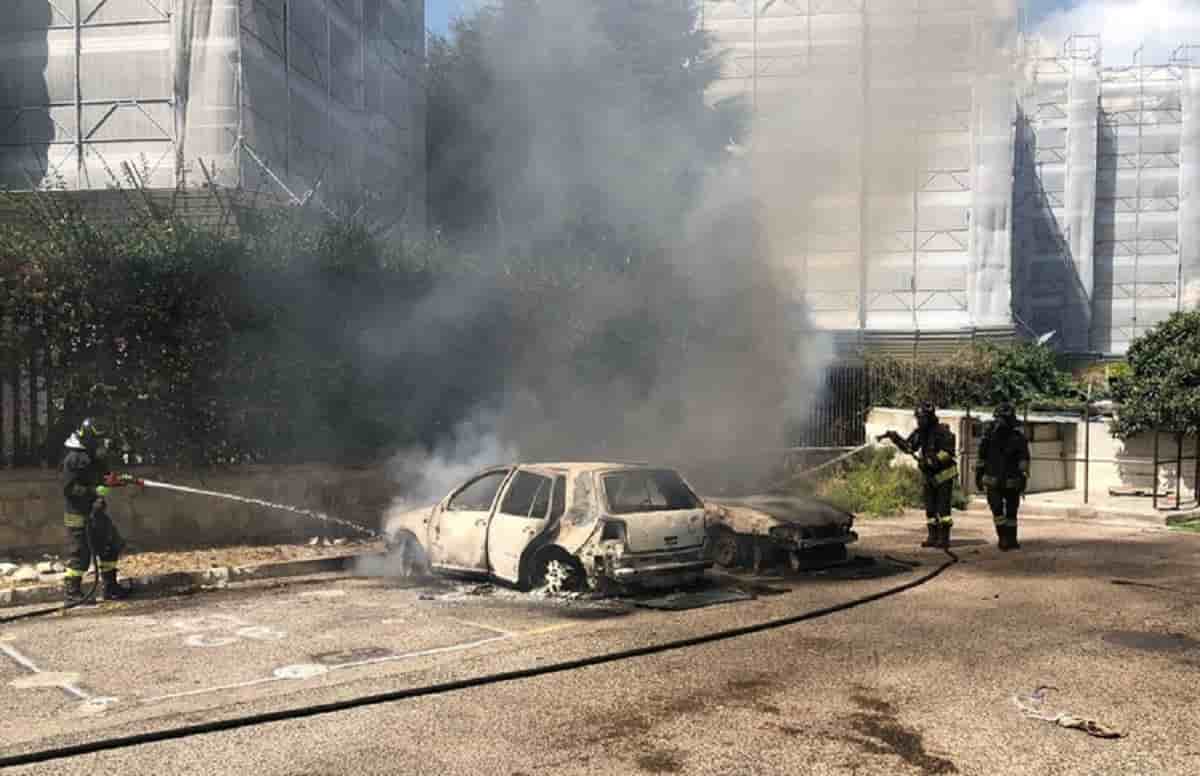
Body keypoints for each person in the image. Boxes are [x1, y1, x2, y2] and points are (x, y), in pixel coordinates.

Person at [62, 419, 137, 602]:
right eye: (98, 440)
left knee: (111, 545)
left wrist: (118, 480)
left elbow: (103, 478)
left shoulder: (94, 456)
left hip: (96, 512)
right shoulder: (73, 459)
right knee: (80, 554)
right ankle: (72, 593)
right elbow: (69, 489)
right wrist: (94, 491)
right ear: (88, 439)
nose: (101, 444)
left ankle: (110, 588)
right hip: (78, 515)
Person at [877, 403, 958, 548]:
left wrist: (931, 461)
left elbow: (948, 452)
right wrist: (896, 439)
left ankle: (944, 538)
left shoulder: (942, 431)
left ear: (930, 417)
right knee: (930, 509)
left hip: (944, 475)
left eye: (922, 418)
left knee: (943, 510)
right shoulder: (921, 433)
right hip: (929, 475)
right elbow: (910, 447)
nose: (919, 421)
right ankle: (932, 536)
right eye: (918, 418)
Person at [975, 403, 1031, 551]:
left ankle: (1012, 539)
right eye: (998, 419)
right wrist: (978, 475)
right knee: (997, 510)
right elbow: (981, 458)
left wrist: (1023, 477)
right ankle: (1003, 538)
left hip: (1012, 481)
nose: (1000, 422)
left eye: (1003, 419)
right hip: (993, 481)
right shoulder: (988, 437)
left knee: (1012, 513)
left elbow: (1024, 459)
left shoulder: (1018, 438)